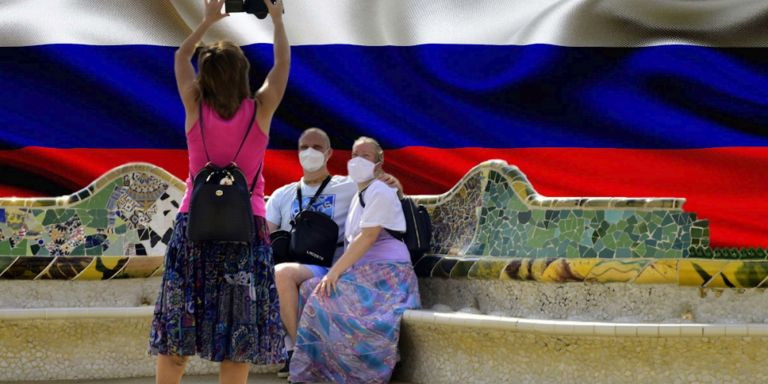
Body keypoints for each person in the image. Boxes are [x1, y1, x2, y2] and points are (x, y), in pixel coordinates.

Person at [148, 0, 289, 383]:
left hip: (194, 231)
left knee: (178, 334)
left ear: (206, 78)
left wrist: (207, 21)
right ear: (243, 77)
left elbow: (180, 57)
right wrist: (276, 21)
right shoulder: (260, 109)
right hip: (246, 234)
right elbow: (281, 68)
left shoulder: (194, 106)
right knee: (237, 339)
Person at [265, 128, 402, 378]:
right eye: (304, 147)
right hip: (295, 263)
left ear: (329, 153)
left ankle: (300, 353)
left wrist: (394, 182)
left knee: (281, 275)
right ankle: (299, 351)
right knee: (278, 274)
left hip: (332, 266)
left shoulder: (348, 185)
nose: (310, 152)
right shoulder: (281, 195)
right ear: (297, 153)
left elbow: (385, 191)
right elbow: (263, 235)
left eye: (317, 148)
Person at [288, 137, 421, 384]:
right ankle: (322, 370)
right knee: (309, 288)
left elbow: (368, 236)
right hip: (365, 271)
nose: (358, 161)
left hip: (387, 275)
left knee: (323, 294)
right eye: (354, 155)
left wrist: (334, 272)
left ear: (379, 162)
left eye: (366, 156)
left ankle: (352, 373)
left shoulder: (380, 190)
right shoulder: (361, 192)